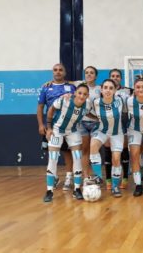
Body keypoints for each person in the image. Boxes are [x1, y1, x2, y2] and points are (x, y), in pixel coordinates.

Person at [43, 83, 91, 202]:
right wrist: (48, 128)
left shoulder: (87, 105)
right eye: (79, 93)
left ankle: (77, 189)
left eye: (85, 94)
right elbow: (50, 110)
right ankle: (49, 191)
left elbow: (89, 114)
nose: (82, 96)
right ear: (75, 93)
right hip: (57, 130)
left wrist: (98, 119)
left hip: (72, 131)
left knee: (77, 157)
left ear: (87, 96)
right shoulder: (64, 100)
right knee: (53, 158)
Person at [37, 63, 76, 191]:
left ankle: (69, 178)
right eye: (55, 70)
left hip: (68, 127)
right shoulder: (45, 88)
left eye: (60, 70)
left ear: (64, 73)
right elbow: (40, 107)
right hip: (51, 127)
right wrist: (41, 124)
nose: (58, 72)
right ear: (52, 72)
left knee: (67, 152)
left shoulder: (71, 87)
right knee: (51, 152)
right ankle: (53, 177)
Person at [74, 66, 101, 180]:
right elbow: (64, 82)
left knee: (94, 150)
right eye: (87, 73)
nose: (89, 74)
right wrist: (50, 82)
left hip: (96, 123)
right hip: (82, 123)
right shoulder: (79, 86)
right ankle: (86, 176)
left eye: (92, 73)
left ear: (96, 75)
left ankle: (98, 176)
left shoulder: (100, 89)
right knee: (84, 150)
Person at [109, 69, 133, 189]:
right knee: (110, 151)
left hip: (123, 122)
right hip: (108, 122)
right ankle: (111, 179)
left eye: (118, 76)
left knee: (123, 149)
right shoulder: (104, 89)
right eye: (113, 76)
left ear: (121, 78)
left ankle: (125, 178)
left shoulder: (128, 90)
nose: (115, 78)